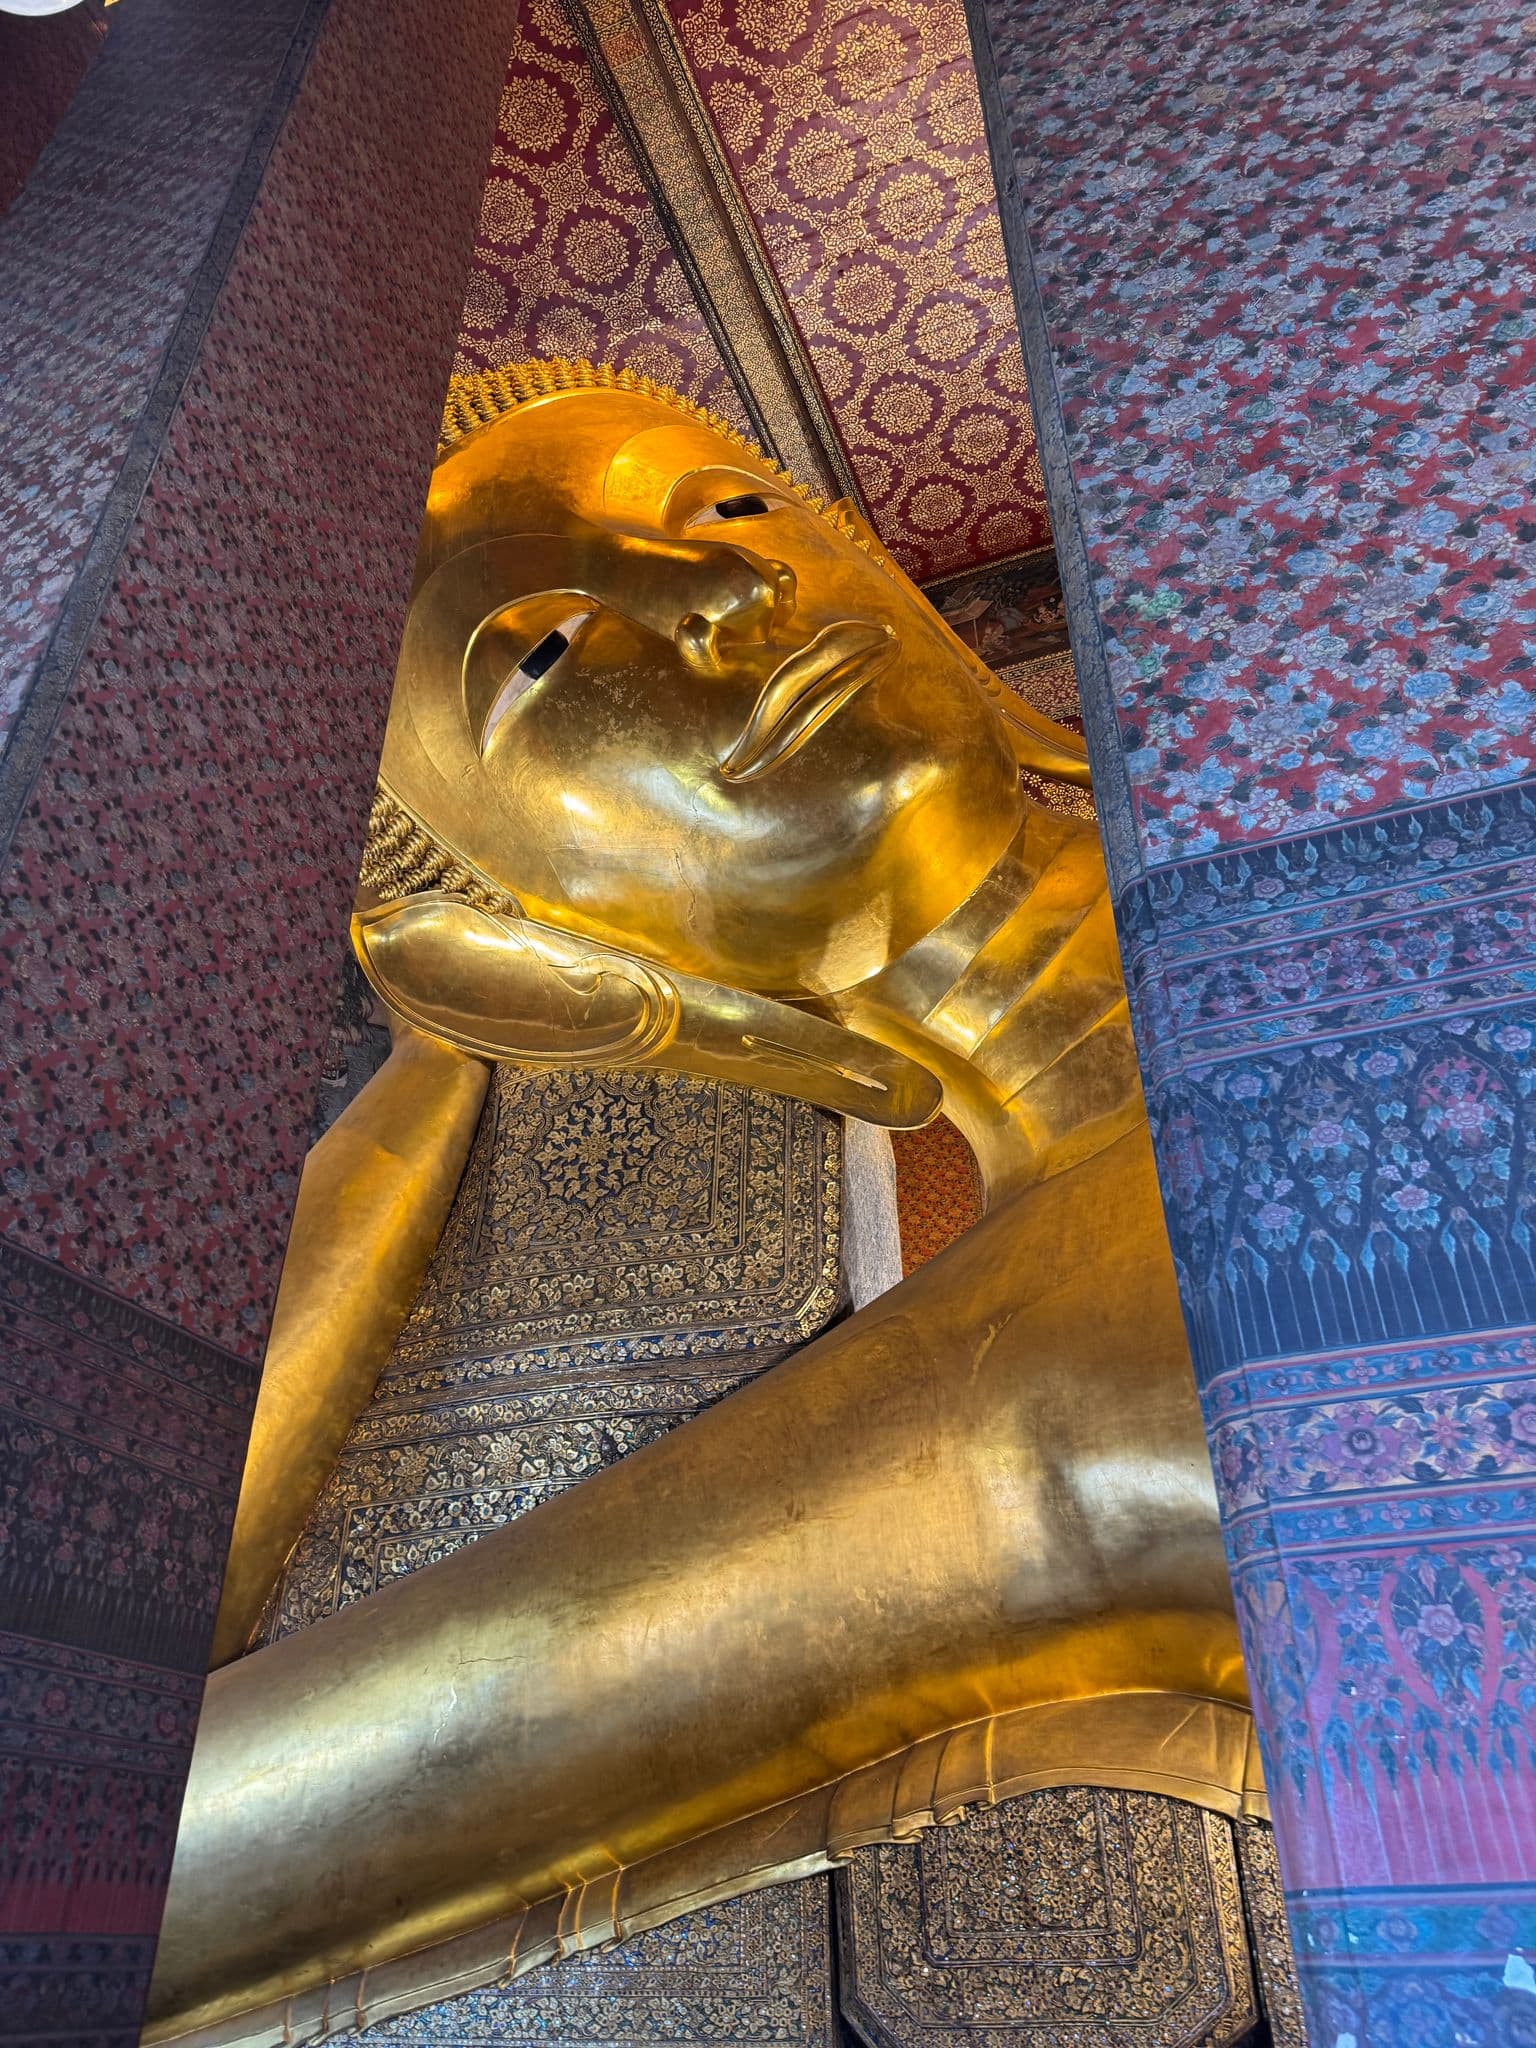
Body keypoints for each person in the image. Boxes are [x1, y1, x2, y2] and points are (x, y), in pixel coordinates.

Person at [146, 364, 1260, 2048]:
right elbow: (91, 1871)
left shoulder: (1369, 737)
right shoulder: (1023, 1417)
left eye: (735, 508)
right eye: (545, 659)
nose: (727, 588)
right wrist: (419, 1092)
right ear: (522, 953)